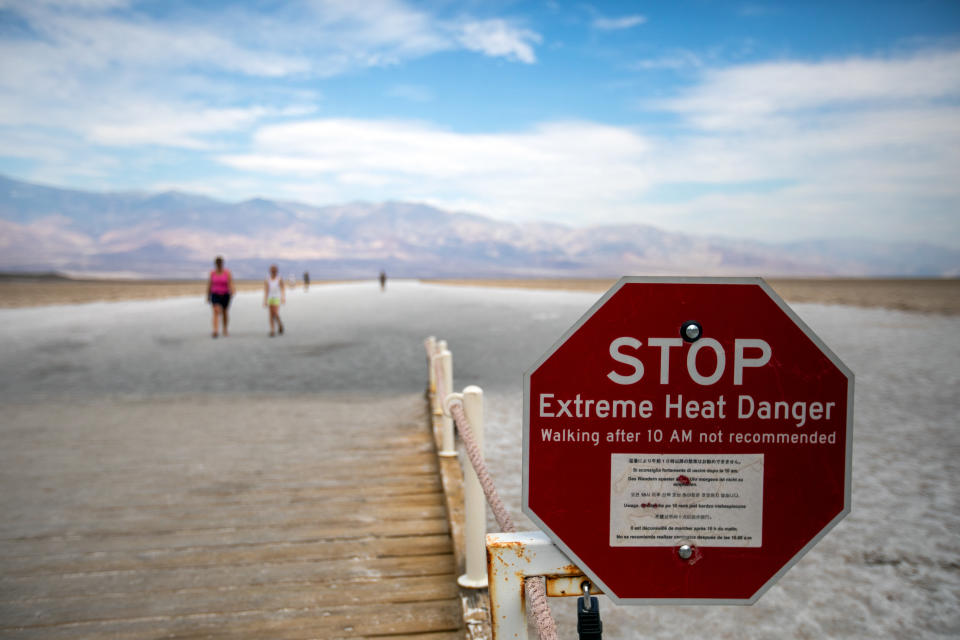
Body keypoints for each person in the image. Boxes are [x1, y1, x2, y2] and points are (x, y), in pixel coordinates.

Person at [207, 256, 234, 338]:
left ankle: (225, 329)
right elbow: (209, 284)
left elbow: (230, 282)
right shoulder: (212, 273)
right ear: (215, 264)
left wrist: (232, 290)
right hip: (215, 294)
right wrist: (208, 295)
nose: (219, 264)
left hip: (225, 294)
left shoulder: (227, 272)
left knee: (225, 312)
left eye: (220, 263)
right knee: (216, 311)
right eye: (217, 263)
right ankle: (215, 330)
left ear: (222, 264)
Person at [264, 264, 286, 337]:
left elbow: (282, 288)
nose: (273, 272)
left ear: (276, 271)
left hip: (277, 297)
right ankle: (272, 330)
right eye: (272, 270)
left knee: (275, 313)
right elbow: (266, 290)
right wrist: (265, 300)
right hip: (270, 298)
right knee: (270, 314)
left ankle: (280, 324)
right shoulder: (267, 279)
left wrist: (283, 297)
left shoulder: (279, 279)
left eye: (274, 270)